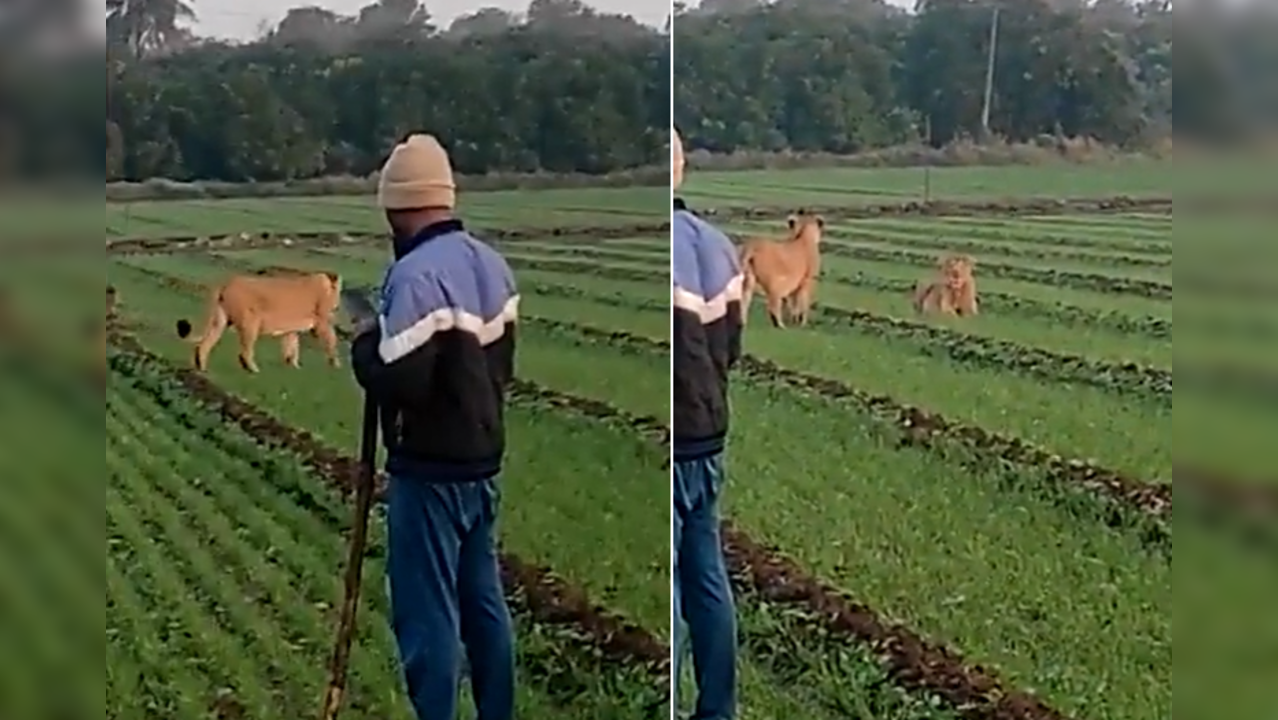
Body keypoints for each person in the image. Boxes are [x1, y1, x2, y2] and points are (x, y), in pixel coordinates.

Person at [349, 133, 518, 720]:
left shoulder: (415, 277)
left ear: (397, 207)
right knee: (483, 604)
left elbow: (401, 381)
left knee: (429, 616)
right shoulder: (492, 266)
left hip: (430, 471)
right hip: (483, 460)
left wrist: (364, 346)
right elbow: (501, 366)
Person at [670, 127, 741, 720]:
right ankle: (717, 710)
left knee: (669, 583)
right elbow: (730, 345)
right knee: (707, 576)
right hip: (708, 429)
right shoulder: (717, 246)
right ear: (683, 170)